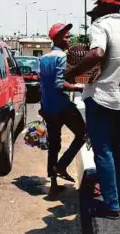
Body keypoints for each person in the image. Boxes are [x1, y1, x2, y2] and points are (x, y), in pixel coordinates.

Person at [65, 0, 120, 219]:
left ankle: (112, 205)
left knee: (104, 151)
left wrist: (71, 72)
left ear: (102, 6)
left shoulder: (100, 25)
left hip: (101, 97)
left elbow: (96, 54)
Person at [40, 22, 87, 195]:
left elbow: (43, 86)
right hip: (62, 106)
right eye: (66, 36)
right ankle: (62, 165)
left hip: (49, 108)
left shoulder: (44, 58)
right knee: (84, 134)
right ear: (58, 38)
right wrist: (78, 87)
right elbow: (59, 84)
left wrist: (42, 106)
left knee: (54, 145)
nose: (69, 39)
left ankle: (53, 183)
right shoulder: (61, 57)